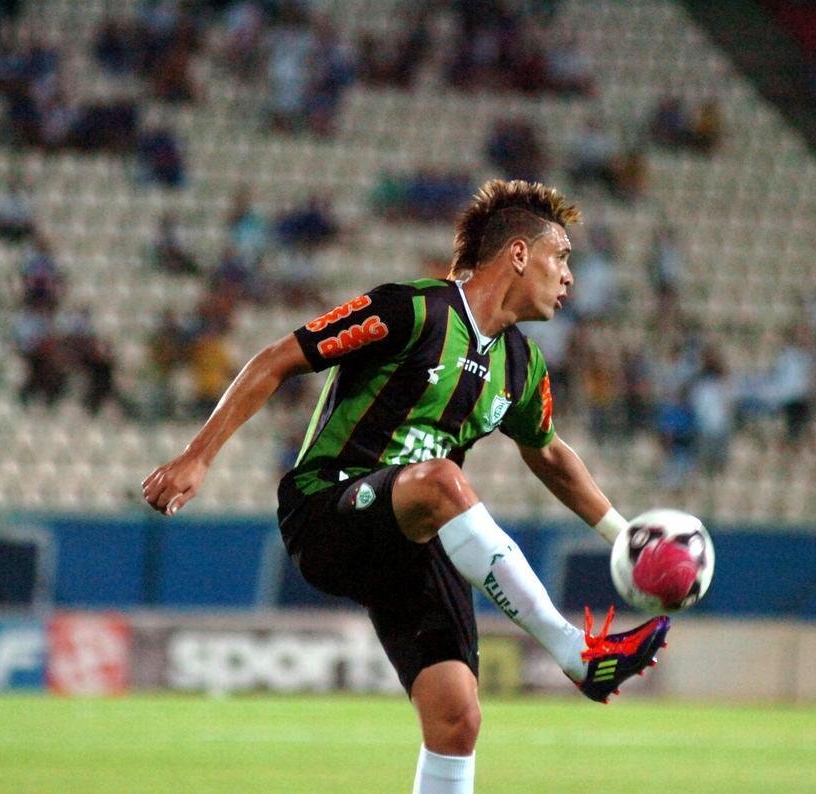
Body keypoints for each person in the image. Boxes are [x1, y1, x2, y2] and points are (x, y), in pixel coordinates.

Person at [142, 179, 670, 793]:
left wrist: (624, 535)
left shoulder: (522, 366)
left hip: (415, 534)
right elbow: (278, 358)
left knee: (457, 718)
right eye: (562, 257)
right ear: (519, 254)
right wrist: (197, 455)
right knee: (444, 481)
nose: (570, 277)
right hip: (327, 510)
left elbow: (549, 453)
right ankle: (575, 651)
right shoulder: (411, 309)